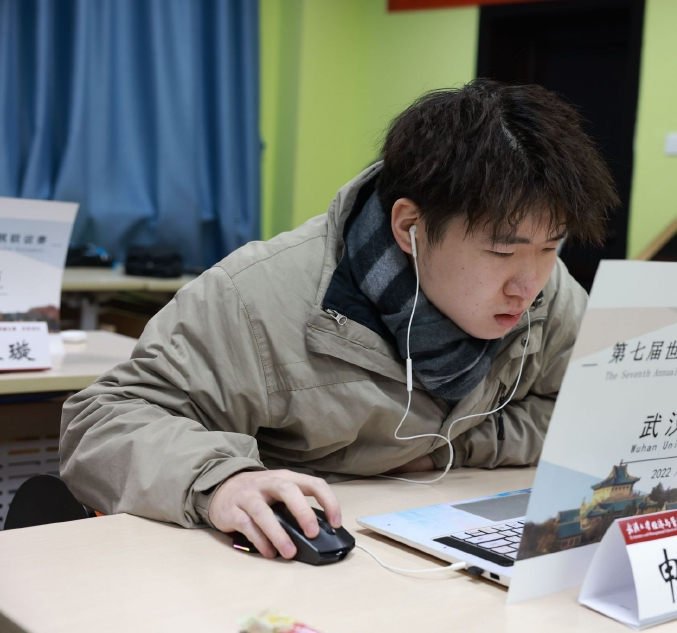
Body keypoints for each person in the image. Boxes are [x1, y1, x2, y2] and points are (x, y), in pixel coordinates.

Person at [59, 80, 619, 560]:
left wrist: (455, 447)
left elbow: (592, 409)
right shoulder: (259, 297)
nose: (528, 284)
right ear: (410, 227)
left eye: (551, 246)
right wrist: (221, 479)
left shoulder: (548, 292)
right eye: (502, 251)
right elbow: (102, 422)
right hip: (280, 571)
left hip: (429, 540)